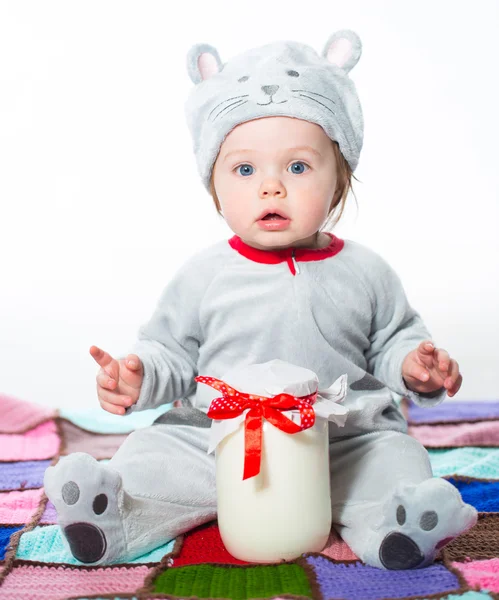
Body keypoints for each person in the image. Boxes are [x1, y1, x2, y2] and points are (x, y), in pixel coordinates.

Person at [44, 29, 477, 570]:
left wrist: (416, 366)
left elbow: (392, 340)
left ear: (338, 181)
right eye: (245, 170)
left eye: (298, 167)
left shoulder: (365, 271)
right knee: (151, 455)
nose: (271, 187)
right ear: (215, 186)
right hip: (220, 439)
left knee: (396, 456)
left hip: (338, 438)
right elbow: (170, 353)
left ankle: (396, 527)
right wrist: (138, 377)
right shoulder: (205, 274)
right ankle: (113, 517)